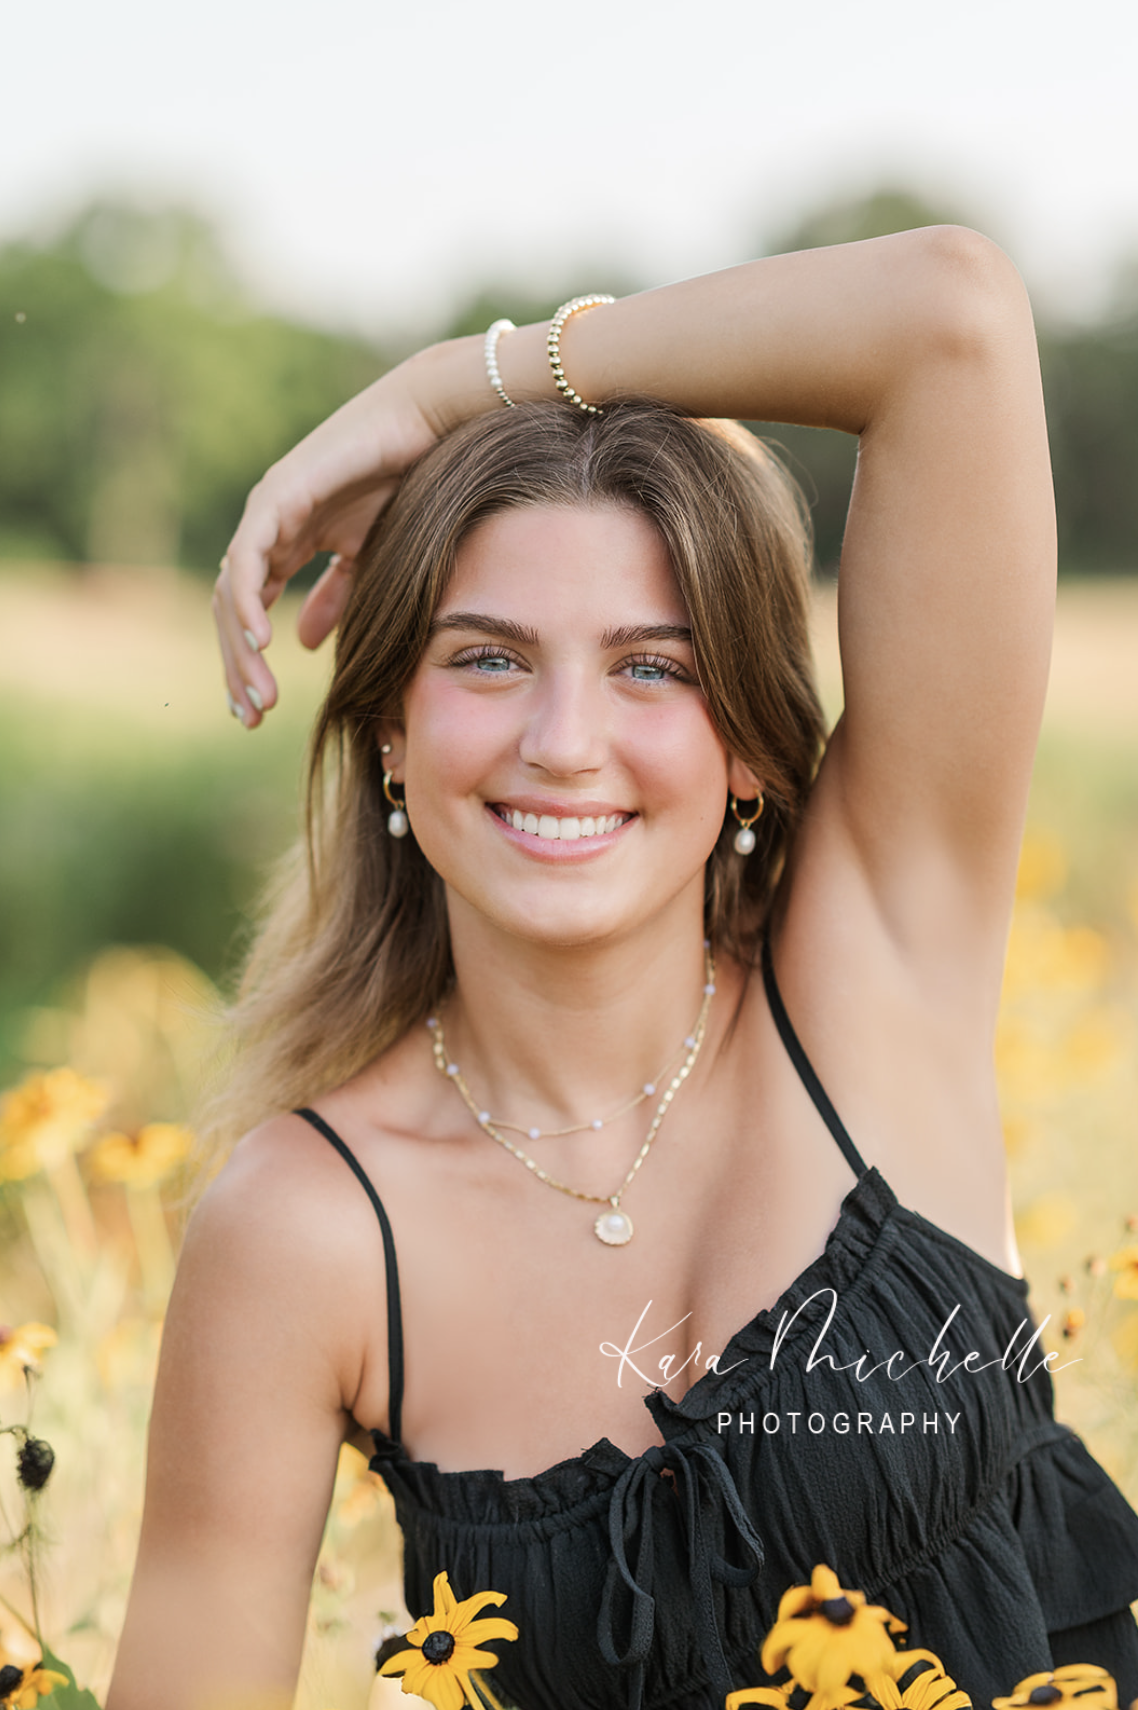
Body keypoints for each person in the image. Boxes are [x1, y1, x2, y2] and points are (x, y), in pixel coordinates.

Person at [108, 229, 1138, 1710]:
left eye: (650, 665)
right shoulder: (308, 1231)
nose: (562, 740)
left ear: (743, 748)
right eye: (487, 657)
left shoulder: (870, 970)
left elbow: (947, 318)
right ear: (391, 728)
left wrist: (452, 384)